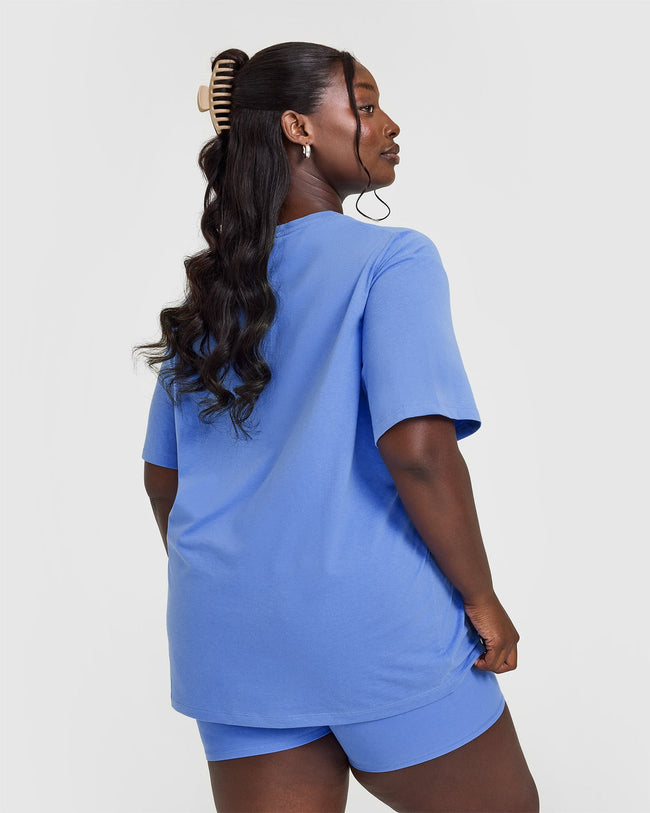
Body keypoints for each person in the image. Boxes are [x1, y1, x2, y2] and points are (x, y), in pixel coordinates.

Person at [138, 41, 539, 812]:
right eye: (365, 106)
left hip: (230, 639)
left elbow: (163, 478)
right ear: (298, 127)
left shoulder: (213, 291)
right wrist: (482, 598)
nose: (390, 124)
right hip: (371, 624)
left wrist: (239, 582)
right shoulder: (392, 259)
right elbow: (418, 452)